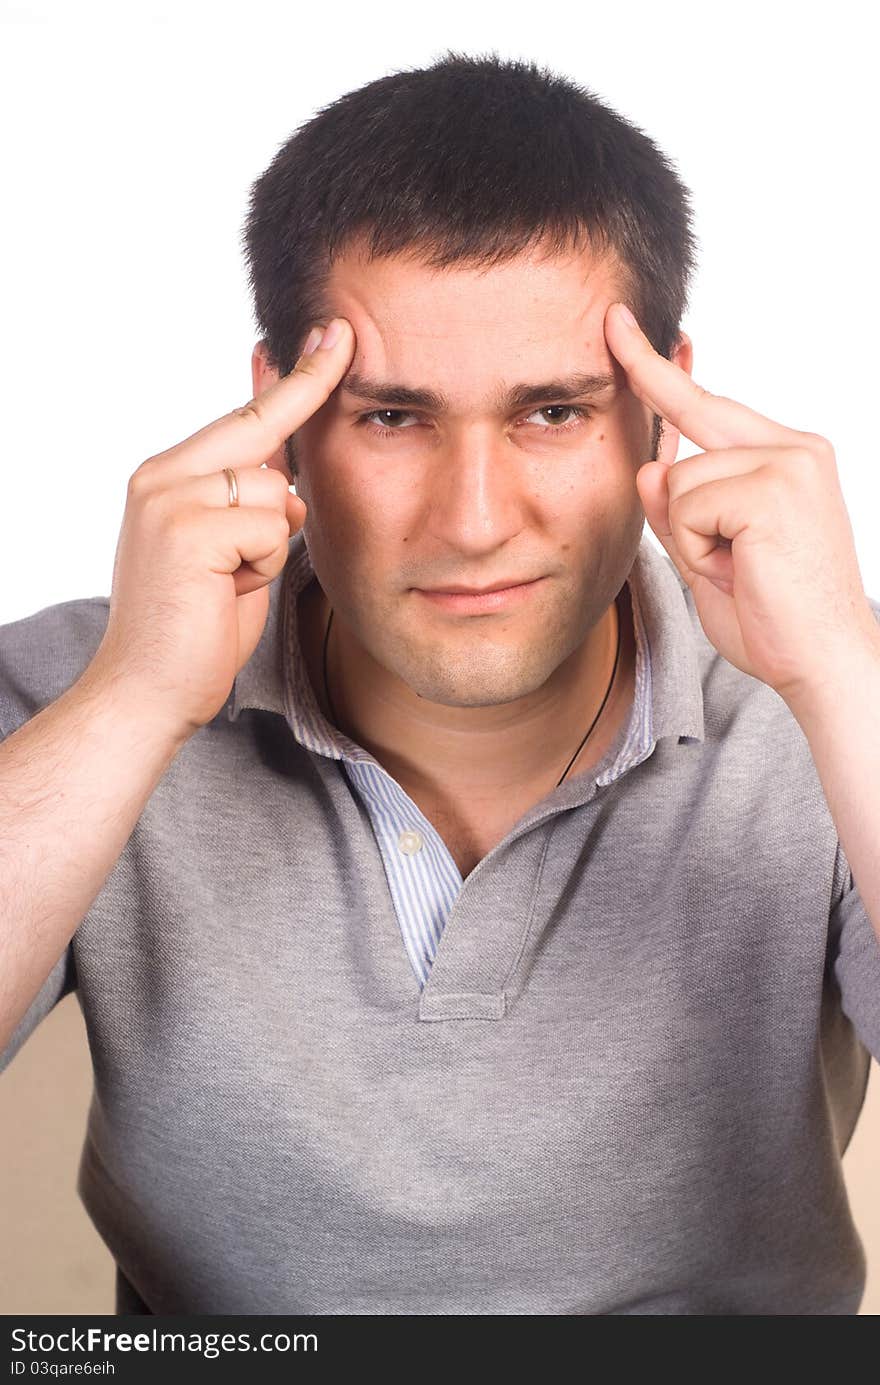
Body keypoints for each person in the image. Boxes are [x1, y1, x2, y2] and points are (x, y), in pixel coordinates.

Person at [1, 50, 879, 1317]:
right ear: (281, 412)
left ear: (662, 409)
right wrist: (135, 700)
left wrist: (842, 668)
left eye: (555, 412)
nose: (473, 520)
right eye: (393, 417)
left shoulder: (837, 700)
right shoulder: (84, 686)